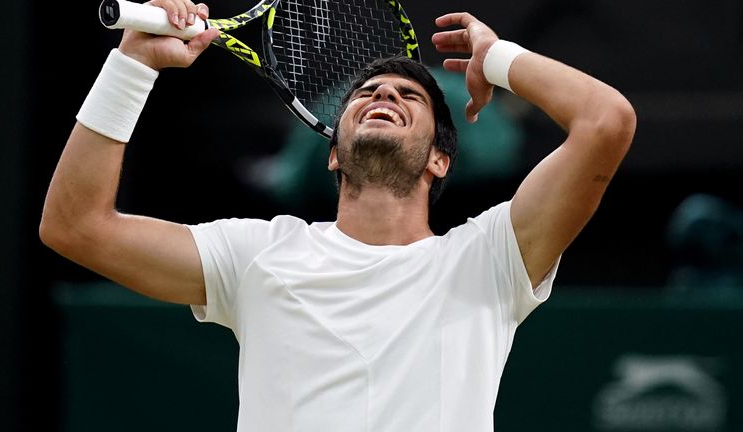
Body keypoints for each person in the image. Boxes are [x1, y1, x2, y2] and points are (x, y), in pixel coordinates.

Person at [40, 0, 636, 430]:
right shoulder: (256, 255)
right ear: (332, 151)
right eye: (366, 93)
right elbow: (75, 227)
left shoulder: (490, 258)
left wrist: (498, 57)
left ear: (439, 160)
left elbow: (606, 122)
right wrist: (132, 65)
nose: (383, 95)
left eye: (409, 96)